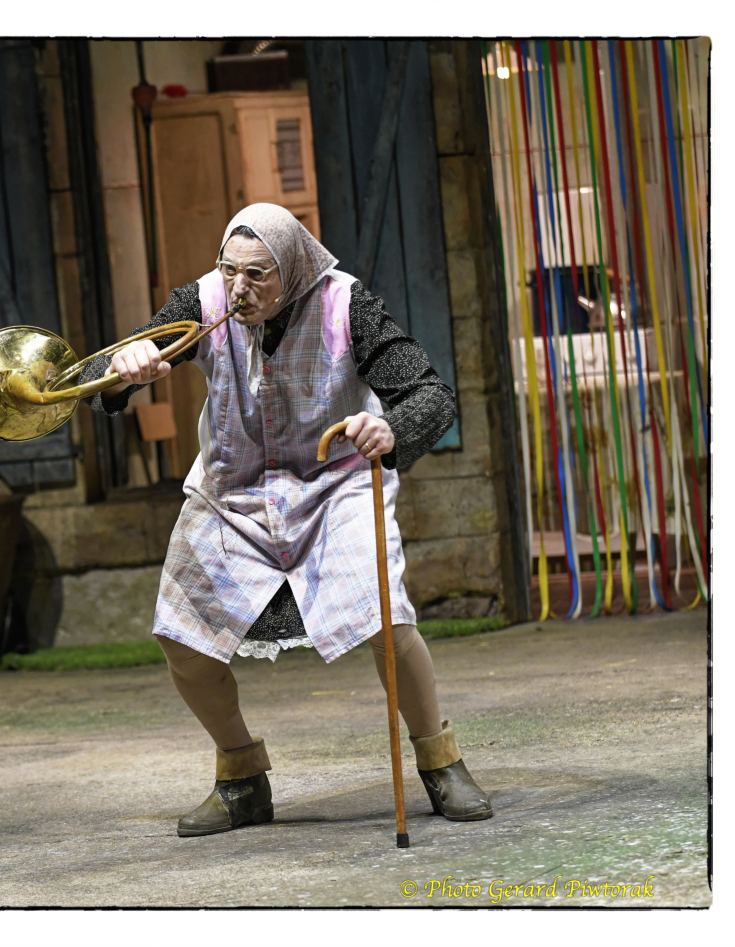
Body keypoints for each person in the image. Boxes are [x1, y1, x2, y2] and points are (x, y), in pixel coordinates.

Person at [82, 203, 493, 836]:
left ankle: (441, 761)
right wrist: (121, 373)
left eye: (257, 274)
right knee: (180, 635)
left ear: (293, 269)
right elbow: (103, 375)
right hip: (234, 494)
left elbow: (430, 397)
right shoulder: (202, 303)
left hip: (334, 488)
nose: (238, 288)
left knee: (386, 620)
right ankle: (242, 777)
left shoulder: (345, 305)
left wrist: (389, 427)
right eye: (230, 269)